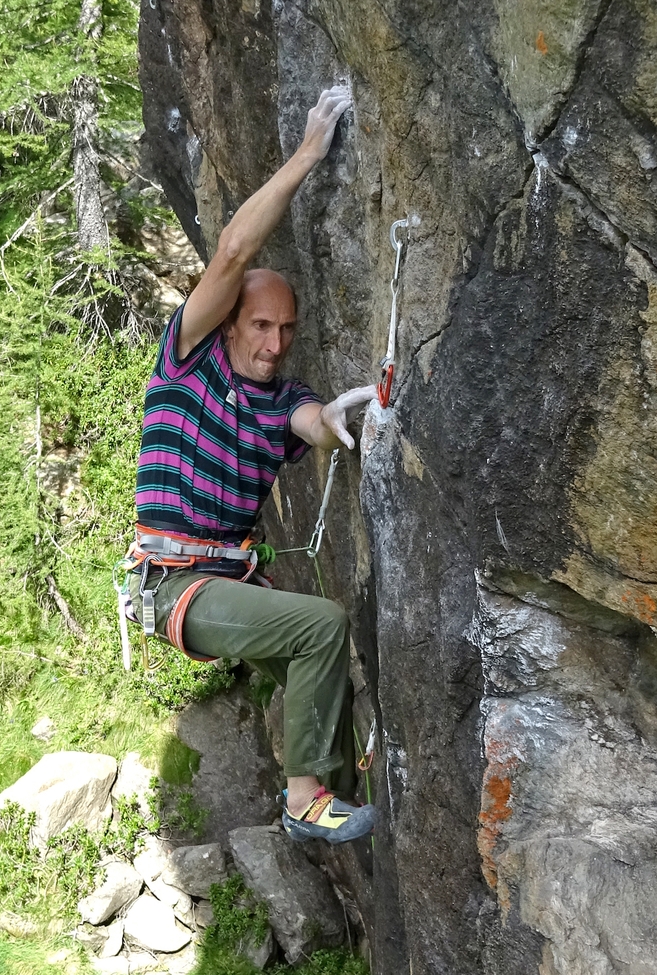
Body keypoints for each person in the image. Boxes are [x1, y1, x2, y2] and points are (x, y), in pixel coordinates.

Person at [128, 85, 377, 843]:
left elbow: (313, 421)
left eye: (287, 331)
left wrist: (335, 420)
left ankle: (336, 794)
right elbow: (234, 252)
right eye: (261, 326)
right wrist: (308, 152)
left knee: (333, 721)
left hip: (226, 582)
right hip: (173, 583)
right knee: (321, 624)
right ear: (230, 321)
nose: (273, 344)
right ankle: (302, 803)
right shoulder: (186, 359)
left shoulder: (280, 400)